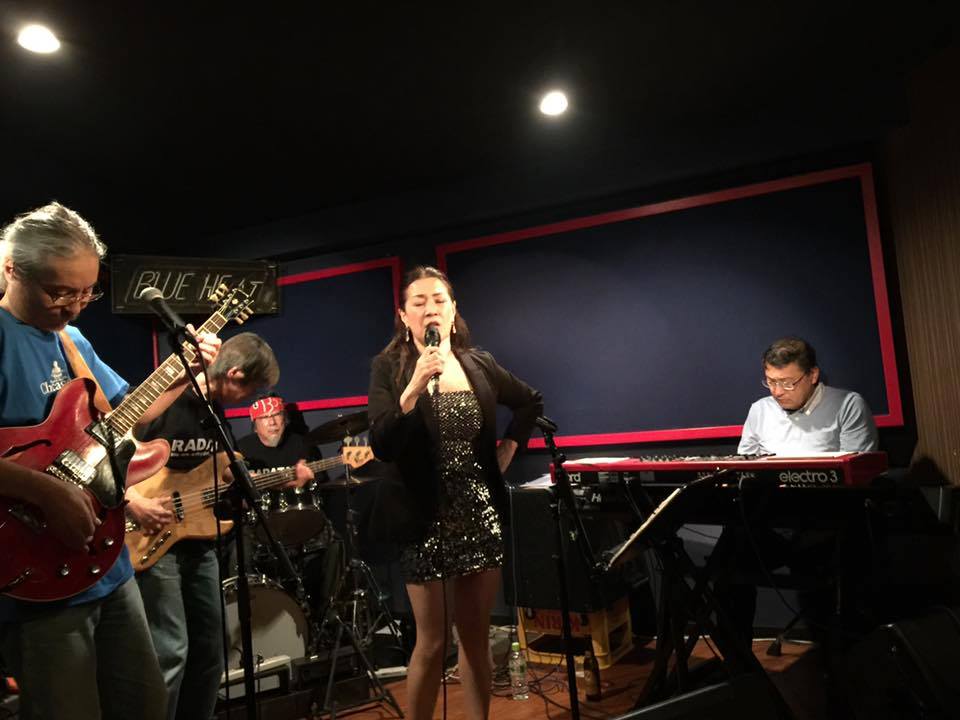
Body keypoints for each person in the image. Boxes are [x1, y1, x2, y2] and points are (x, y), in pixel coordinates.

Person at [0, 201, 220, 720]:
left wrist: (182, 374)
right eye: (60, 292)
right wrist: (47, 491)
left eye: (86, 293)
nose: (74, 307)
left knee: (144, 705)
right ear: (12, 269)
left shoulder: (71, 339)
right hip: (35, 572)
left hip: (108, 565)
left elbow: (122, 419)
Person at [367, 266, 543, 720]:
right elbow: (382, 443)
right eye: (419, 302)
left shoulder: (478, 363)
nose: (431, 309)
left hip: (478, 511)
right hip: (423, 517)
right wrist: (412, 388)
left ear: (453, 309)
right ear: (403, 315)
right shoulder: (389, 368)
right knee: (432, 641)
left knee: (475, 635)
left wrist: (509, 447)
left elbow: (530, 401)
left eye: (439, 300)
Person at [124, 332, 279, 720]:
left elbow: (206, 480)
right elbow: (108, 452)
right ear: (235, 375)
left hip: (198, 542)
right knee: (170, 649)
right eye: (252, 389)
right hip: (152, 540)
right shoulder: (168, 399)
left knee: (212, 648)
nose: (250, 398)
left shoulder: (215, 416)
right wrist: (134, 502)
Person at [737, 336, 878, 455]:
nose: (777, 392)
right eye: (771, 382)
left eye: (788, 383)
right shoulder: (759, 410)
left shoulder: (848, 406)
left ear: (813, 375)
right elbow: (745, 470)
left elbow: (855, 471)